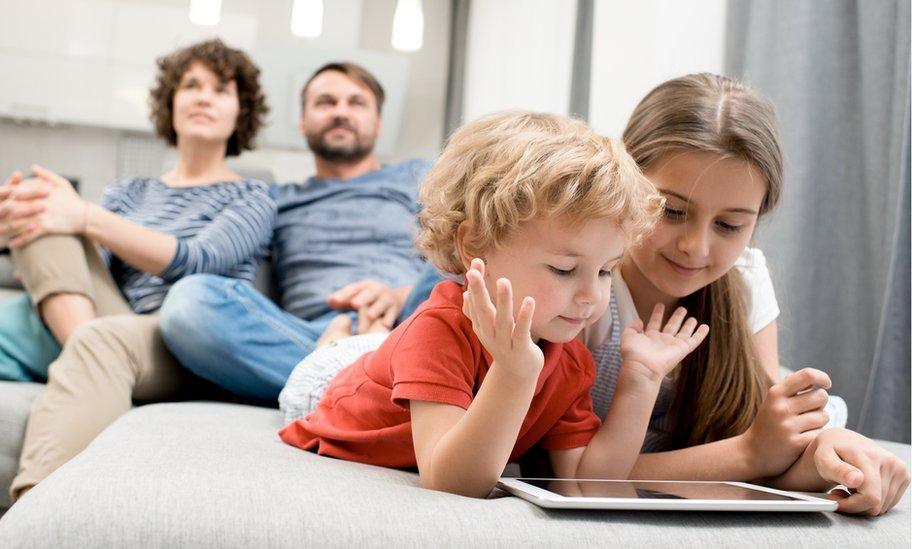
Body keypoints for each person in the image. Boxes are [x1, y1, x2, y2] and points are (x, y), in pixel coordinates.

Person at [282, 73, 910, 515]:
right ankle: (332, 331)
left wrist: (835, 453)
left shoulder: (574, 327)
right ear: (633, 195)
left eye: (729, 225)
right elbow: (460, 475)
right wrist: (516, 369)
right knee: (397, 326)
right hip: (350, 378)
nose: (696, 248)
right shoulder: (548, 300)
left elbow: (594, 479)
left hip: (468, 368)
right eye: (671, 210)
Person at [279, 110, 713, 498]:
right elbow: (452, 482)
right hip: (322, 391)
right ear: (474, 246)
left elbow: (588, 482)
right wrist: (514, 373)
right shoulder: (440, 331)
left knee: (382, 348)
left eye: (605, 271)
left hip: (396, 368)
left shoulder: (570, 360)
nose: (590, 296)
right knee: (339, 360)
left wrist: (641, 380)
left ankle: (367, 340)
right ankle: (335, 342)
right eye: (564, 269)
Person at [0, 38, 276, 499]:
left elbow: (198, 262)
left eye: (220, 90)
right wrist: (10, 232)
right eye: (190, 85)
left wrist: (85, 216)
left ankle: (36, 511)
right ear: (170, 103)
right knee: (45, 201)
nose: (202, 96)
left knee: (67, 225)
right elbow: (88, 263)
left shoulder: (252, 197)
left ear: (241, 112)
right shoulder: (128, 192)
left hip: (183, 339)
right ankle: (91, 359)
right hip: (111, 321)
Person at [158, 62, 433, 401]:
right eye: (325, 102)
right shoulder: (271, 200)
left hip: (412, 322)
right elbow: (206, 252)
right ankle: (374, 382)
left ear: (378, 123)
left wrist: (399, 295)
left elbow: (456, 257)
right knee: (189, 304)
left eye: (356, 103)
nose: (341, 112)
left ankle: (338, 382)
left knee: (476, 242)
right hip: (312, 337)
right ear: (303, 122)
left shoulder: (418, 176)